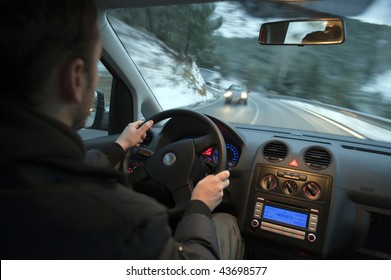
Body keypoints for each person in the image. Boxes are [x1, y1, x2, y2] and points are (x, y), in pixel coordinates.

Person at [0, 0, 244, 259]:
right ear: (75, 78)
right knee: (226, 223)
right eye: (96, 64)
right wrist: (199, 206)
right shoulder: (126, 221)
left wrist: (120, 147)